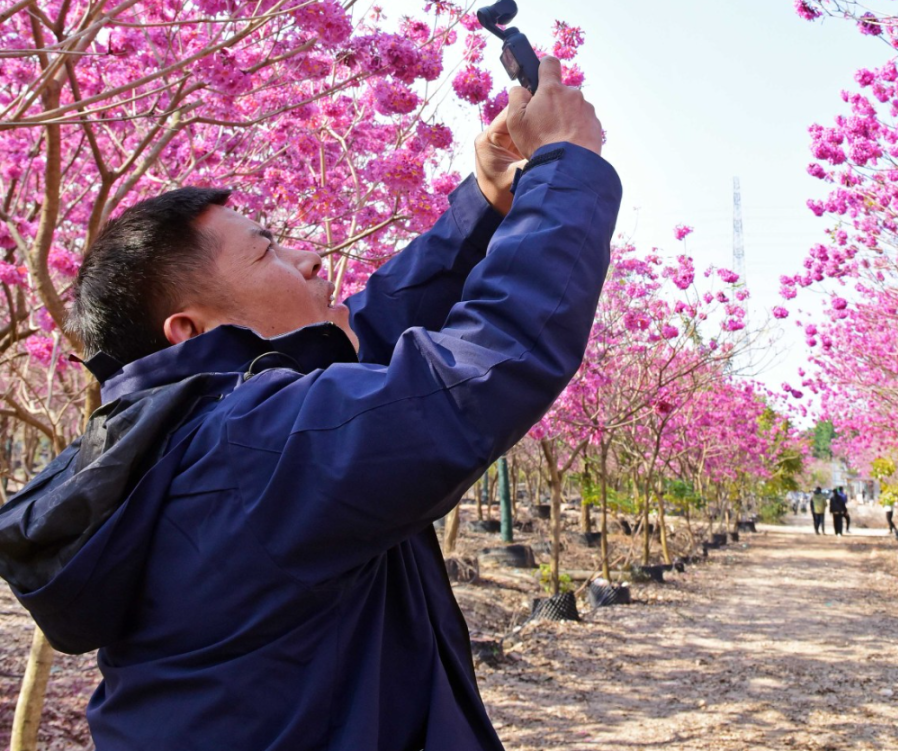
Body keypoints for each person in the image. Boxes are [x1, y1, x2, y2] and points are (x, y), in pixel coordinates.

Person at [0, 57, 620, 751]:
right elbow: (477, 374)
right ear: (191, 328)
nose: (311, 256)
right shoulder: (250, 445)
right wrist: (568, 169)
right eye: (268, 255)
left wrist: (483, 202)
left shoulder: (183, 443)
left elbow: (371, 331)